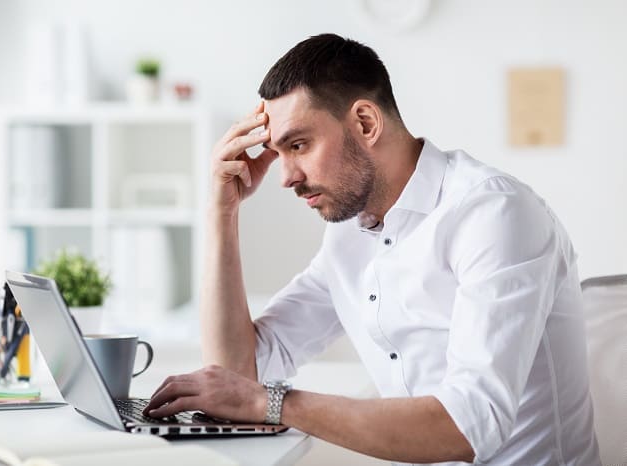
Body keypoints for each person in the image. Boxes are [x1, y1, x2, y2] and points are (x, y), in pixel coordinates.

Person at [143, 33, 600, 465]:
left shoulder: (493, 214)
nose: (285, 177)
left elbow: (468, 426)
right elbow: (237, 374)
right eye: (277, 153)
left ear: (365, 122)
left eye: (298, 145)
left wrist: (272, 403)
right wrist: (222, 212)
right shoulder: (350, 234)